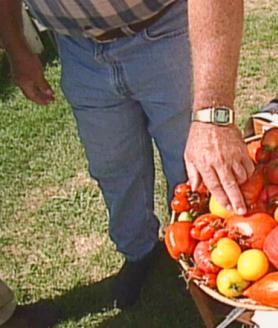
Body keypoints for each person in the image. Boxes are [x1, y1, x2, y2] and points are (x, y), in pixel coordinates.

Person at [0, 0, 254, 308]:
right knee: (113, 167)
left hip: (165, 31)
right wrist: (17, 49)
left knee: (195, 172)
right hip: (77, 48)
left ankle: (213, 262)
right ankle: (140, 253)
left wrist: (213, 116)